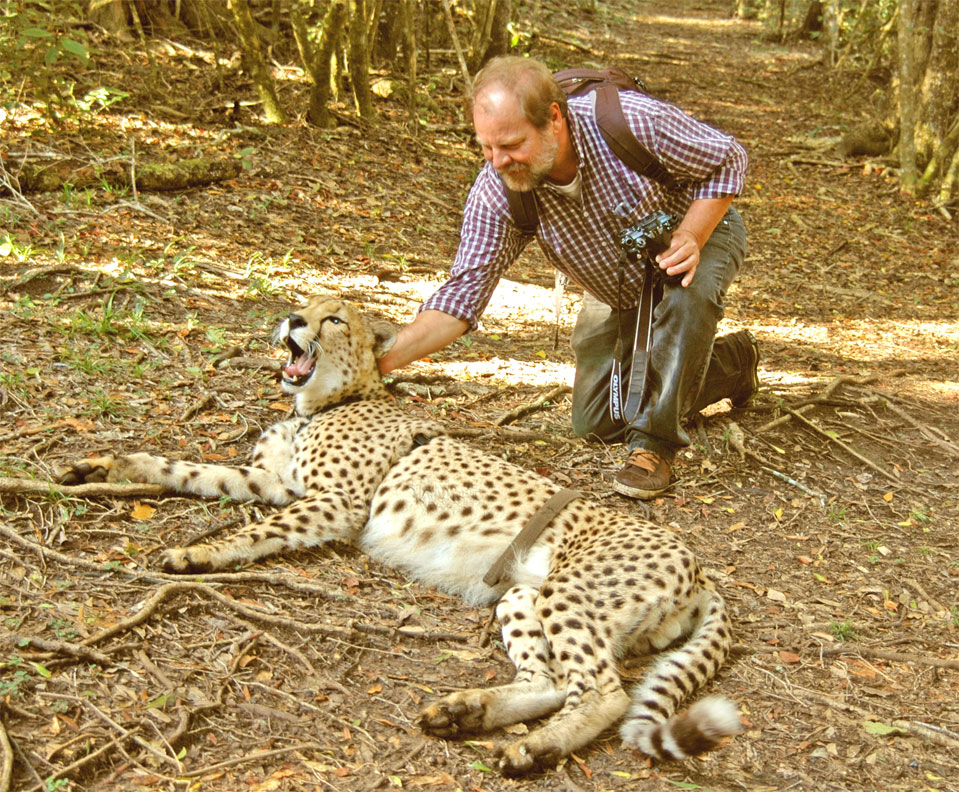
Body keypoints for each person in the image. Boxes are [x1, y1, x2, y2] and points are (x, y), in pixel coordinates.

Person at [378, 56, 758, 500]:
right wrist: (378, 362)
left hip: (693, 240)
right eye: (486, 147)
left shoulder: (630, 122)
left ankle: (655, 445)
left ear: (554, 119)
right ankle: (732, 364)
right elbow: (461, 297)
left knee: (685, 301)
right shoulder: (497, 191)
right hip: (614, 284)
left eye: (512, 144)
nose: (498, 161)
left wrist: (692, 234)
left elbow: (729, 158)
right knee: (597, 421)